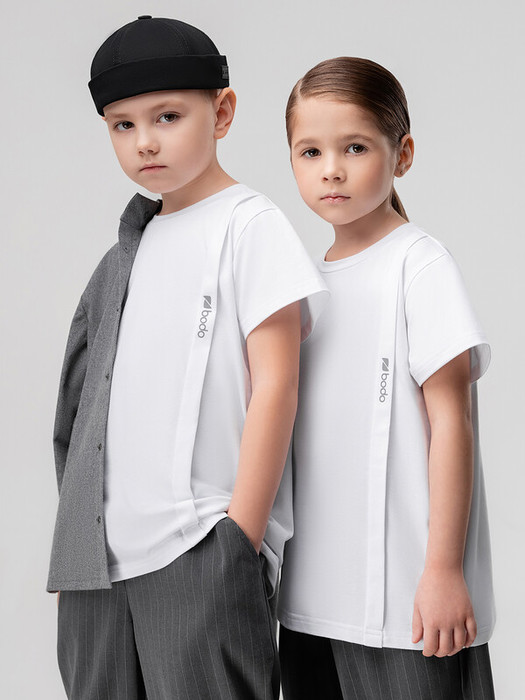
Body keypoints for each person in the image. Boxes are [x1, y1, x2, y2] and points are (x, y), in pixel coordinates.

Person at [47, 16, 327, 700]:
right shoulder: (124, 255)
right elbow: (79, 410)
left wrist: (239, 538)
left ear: (221, 112)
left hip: (199, 551)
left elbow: (277, 385)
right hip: (97, 569)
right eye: (122, 124)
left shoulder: (248, 225)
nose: (144, 141)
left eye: (167, 116)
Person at [277, 57, 496, 699]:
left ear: (401, 154)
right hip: (311, 601)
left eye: (354, 147)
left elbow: (452, 422)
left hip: (407, 603)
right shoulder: (302, 285)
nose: (331, 169)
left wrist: (443, 569)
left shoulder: (418, 266)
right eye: (310, 152)